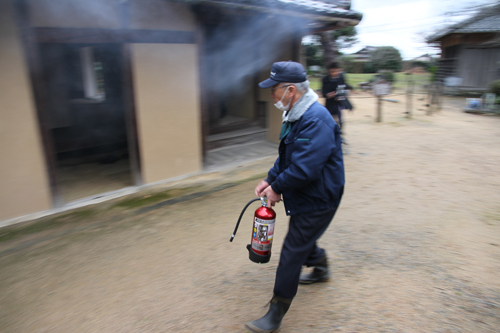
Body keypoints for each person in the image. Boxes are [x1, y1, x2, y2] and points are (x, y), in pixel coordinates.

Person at [246, 61, 345, 333]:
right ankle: (322, 267)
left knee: (292, 250)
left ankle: (276, 312)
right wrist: (269, 178)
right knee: (302, 238)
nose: (272, 97)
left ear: (291, 90)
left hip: (320, 197)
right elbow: (286, 157)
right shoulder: (296, 114)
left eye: (274, 91)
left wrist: (277, 189)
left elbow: (304, 169)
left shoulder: (316, 120)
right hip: (309, 193)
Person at [322, 62, 353, 141]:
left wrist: (349, 89)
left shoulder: (341, 76)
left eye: (336, 71)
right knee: (328, 119)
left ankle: (339, 135)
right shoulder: (325, 79)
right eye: (332, 71)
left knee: (340, 119)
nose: (334, 73)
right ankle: (328, 135)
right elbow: (324, 93)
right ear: (329, 71)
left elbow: (344, 86)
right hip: (330, 102)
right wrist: (329, 95)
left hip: (339, 102)